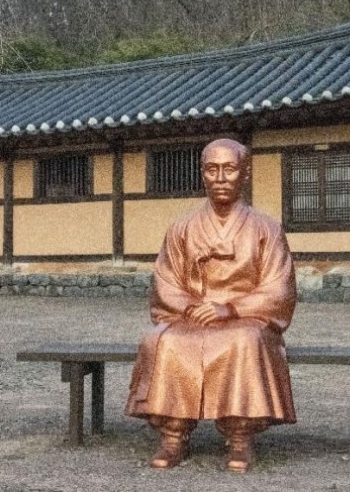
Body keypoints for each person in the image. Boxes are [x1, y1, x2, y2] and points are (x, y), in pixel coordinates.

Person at [125, 138, 297, 472]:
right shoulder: (182, 229)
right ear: (202, 174)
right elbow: (164, 282)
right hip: (191, 316)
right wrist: (190, 307)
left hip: (246, 318)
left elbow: (280, 288)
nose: (220, 178)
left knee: (244, 341)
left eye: (229, 168)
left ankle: (240, 439)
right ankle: (173, 435)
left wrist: (231, 308)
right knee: (165, 340)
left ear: (244, 173)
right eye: (211, 169)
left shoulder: (267, 229)